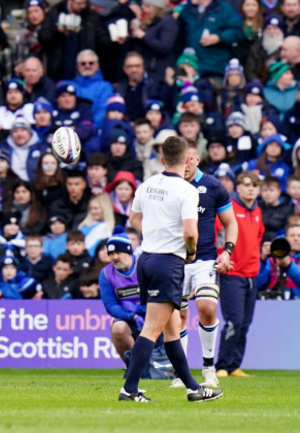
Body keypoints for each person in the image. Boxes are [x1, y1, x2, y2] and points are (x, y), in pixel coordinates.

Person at [119, 135, 223, 402]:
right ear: (186, 158)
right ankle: (129, 390)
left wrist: (154, 233)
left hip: (147, 259)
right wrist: (190, 251)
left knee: (172, 329)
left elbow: (133, 219)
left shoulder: (148, 184)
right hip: (168, 262)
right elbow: (190, 232)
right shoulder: (187, 191)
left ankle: (192, 387)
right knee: (153, 329)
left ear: (163, 159)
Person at [176, 143, 238, 389]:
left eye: (190, 160)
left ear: (197, 159)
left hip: (204, 259)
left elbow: (230, 223)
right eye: (182, 160)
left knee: (207, 308)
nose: (186, 165)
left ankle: (209, 368)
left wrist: (227, 252)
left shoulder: (213, 186)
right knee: (177, 316)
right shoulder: (169, 186)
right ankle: (180, 373)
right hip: (175, 260)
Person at [215, 172, 264, 378]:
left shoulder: (258, 211)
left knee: (245, 323)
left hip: (251, 274)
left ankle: (234, 365)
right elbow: (218, 236)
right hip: (232, 272)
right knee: (234, 320)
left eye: (254, 185)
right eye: (246, 185)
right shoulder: (229, 209)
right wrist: (221, 258)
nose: (251, 189)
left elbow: (258, 238)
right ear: (238, 188)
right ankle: (222, 366)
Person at [99, 232, 145, 366]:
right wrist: (131, 316)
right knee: (118, 328)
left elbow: (157, 295)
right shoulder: (106, 273)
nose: (114, 257)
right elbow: (110, 305)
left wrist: (141, 310)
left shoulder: (144, 265)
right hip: (129, 317)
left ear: (129, 251)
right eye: (111, 254)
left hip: (153, 314)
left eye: (118, 252)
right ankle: (136, 368)